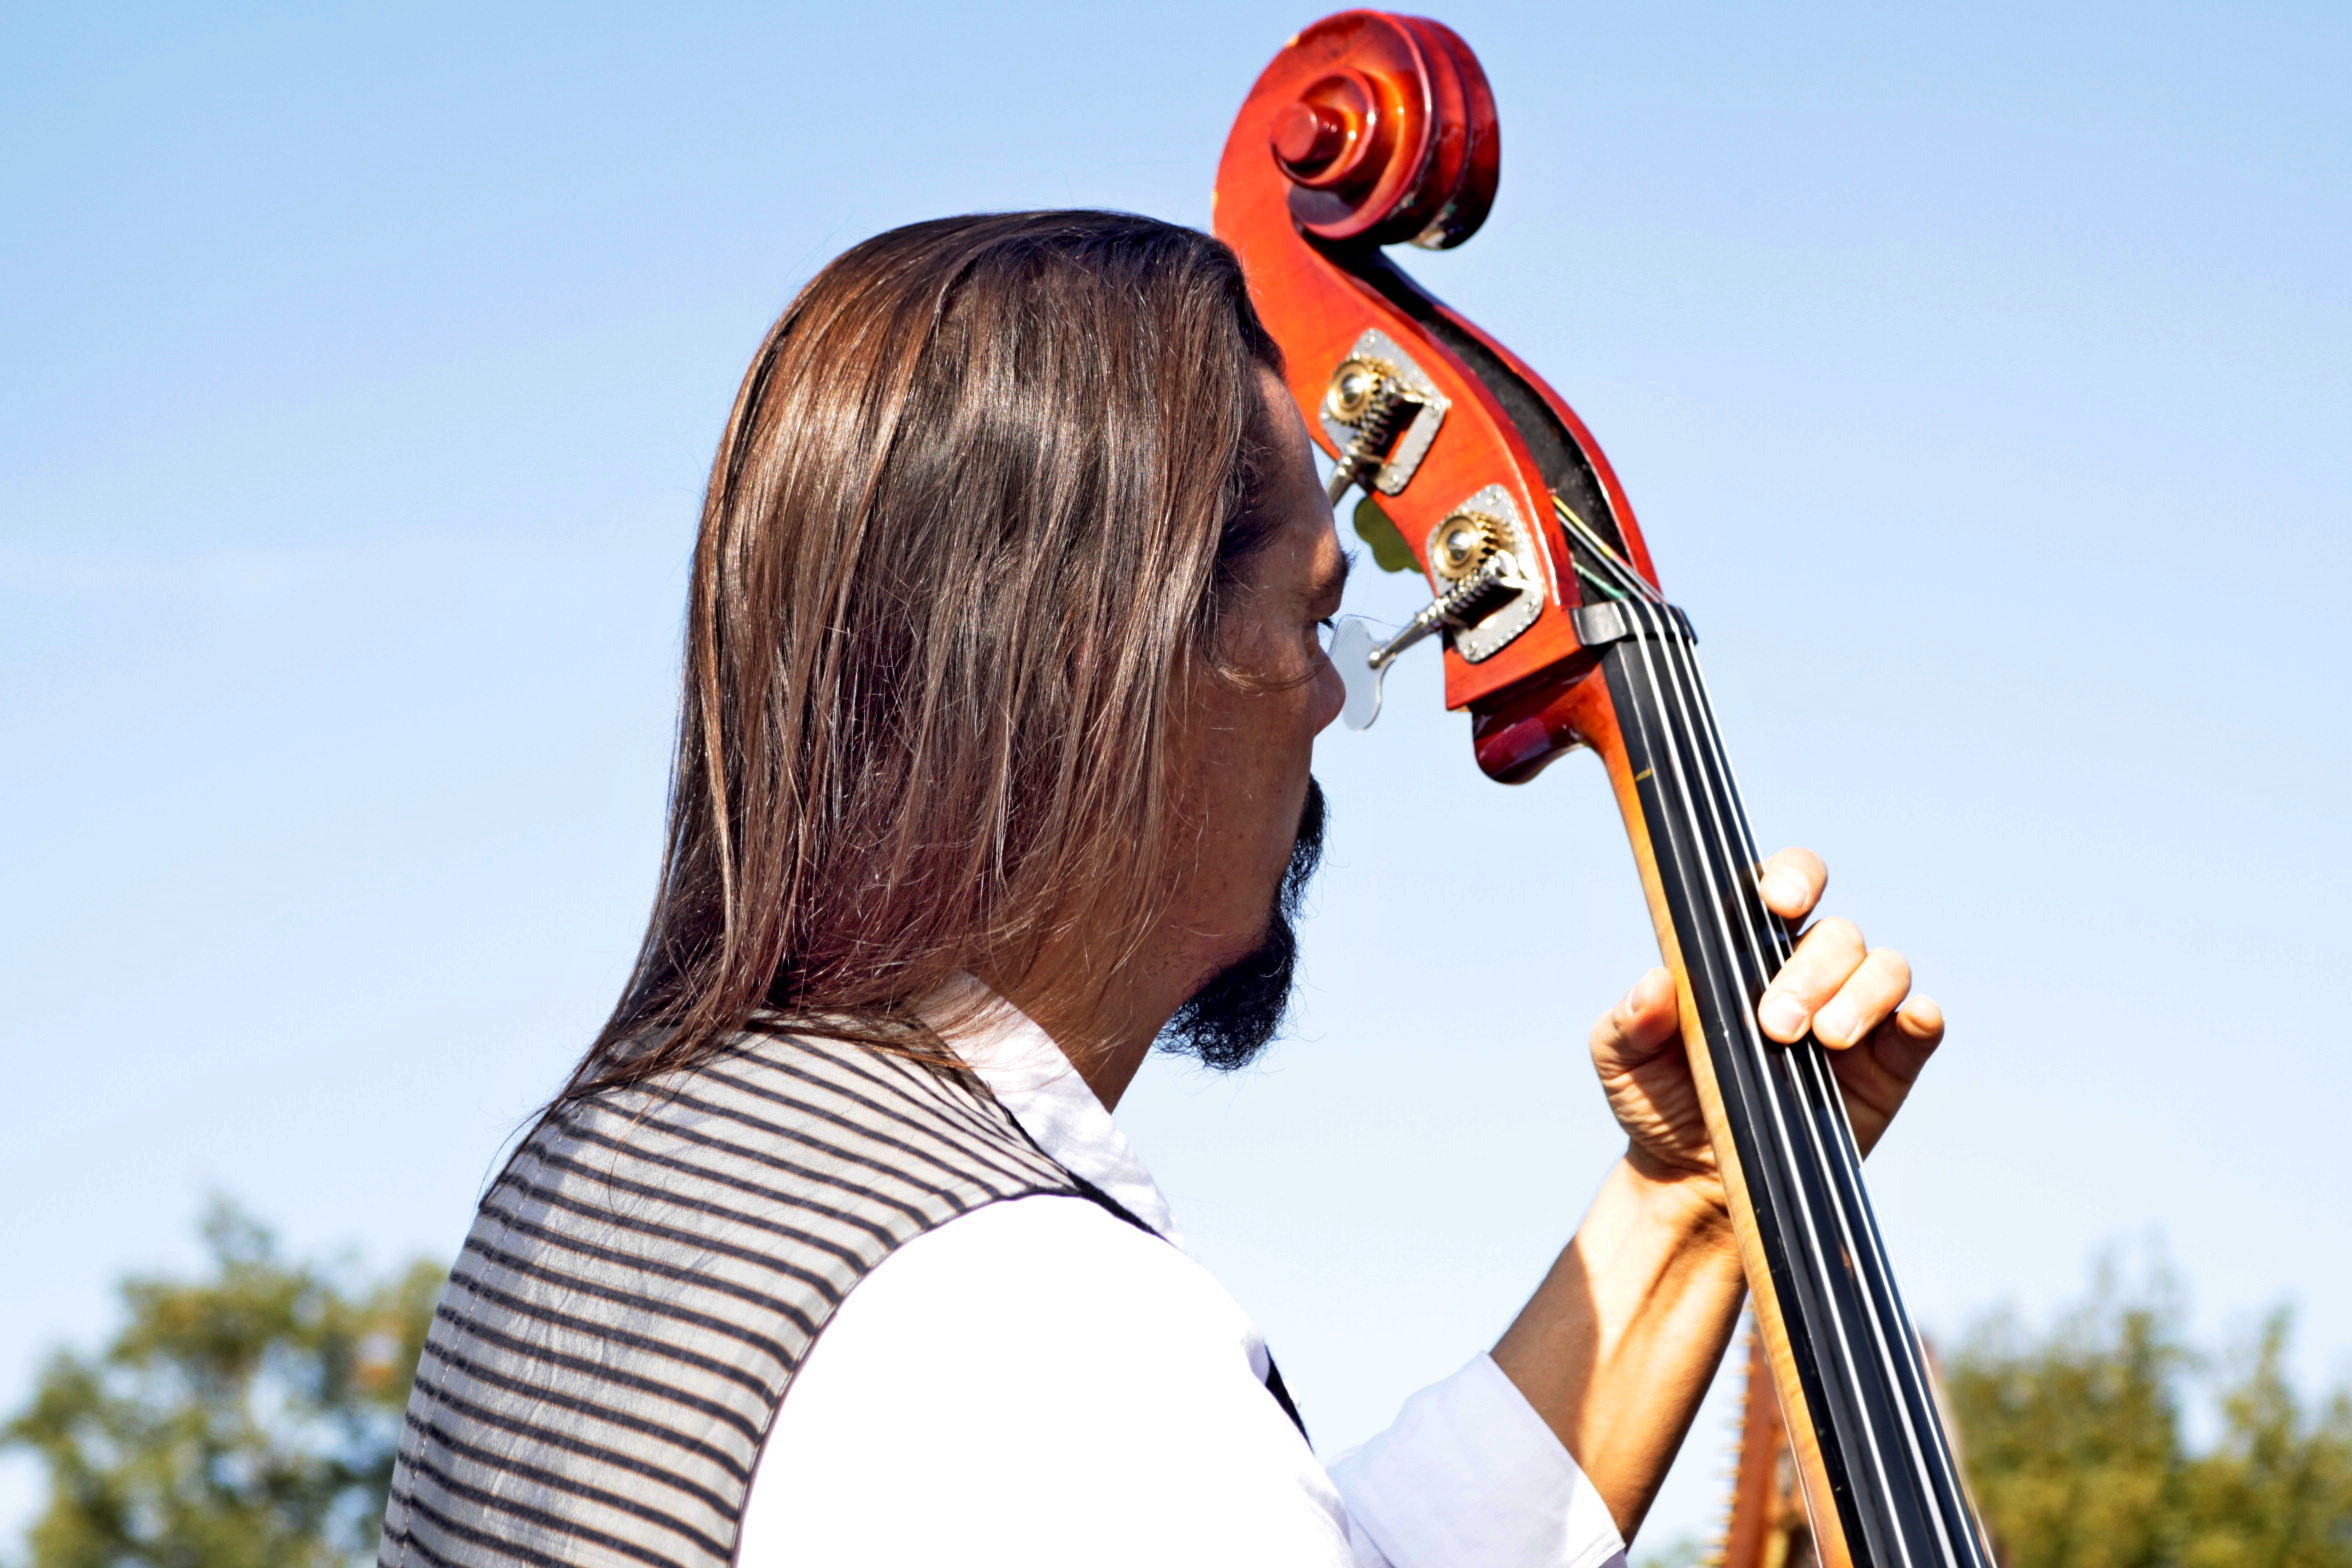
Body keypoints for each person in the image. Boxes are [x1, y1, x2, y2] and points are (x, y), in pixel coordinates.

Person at [377, 211, 1944, 1568]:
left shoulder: (633, 1167)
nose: (1331, 707)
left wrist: (1681, 1201)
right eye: (1314, 618)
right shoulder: (1024, 1331)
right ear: (1105, 664)